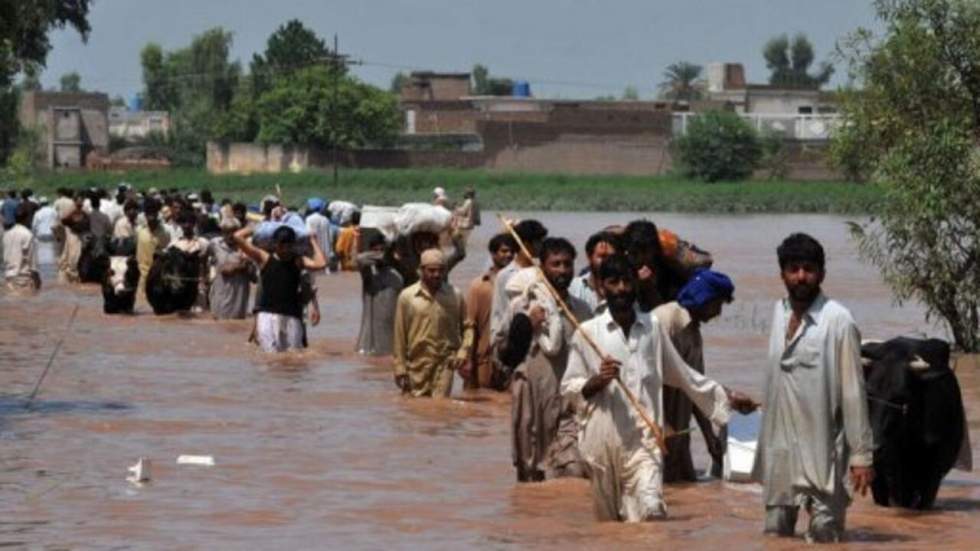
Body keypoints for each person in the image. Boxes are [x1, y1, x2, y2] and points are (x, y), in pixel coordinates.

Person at [561, 255, 755, 522]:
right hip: (601, 443)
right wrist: (596, 381)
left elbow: (684, 375)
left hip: (645, 442)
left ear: (635, 285)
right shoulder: (587, 332)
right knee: (610, 525)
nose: (621, 289)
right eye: (613, 282)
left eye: (627, 282)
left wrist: (728, 397)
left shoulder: (651, 328)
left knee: (652, 511)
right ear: (602, 287)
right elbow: (569, 389)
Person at [751, 233, 874, 544]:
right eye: (793, 269)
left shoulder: (839, 321)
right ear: (782, 274)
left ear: (821, 274)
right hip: (781, 452)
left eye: (808, 269)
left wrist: (861, 455)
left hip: (824, 453)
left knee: (825, 537)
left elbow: (853, 392)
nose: (801, 277)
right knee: (775, 536)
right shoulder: (778, 313)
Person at [500, 237, 591, 482]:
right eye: (556, 264)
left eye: (567, 264)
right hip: (531, 399)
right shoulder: (522, 305)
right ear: (542, 267)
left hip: (568, 404)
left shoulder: (582, 311)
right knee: (530, 473)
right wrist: (527, 325)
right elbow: (503, 354)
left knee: (573, 469)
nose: (562, 270)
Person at [653, 268, 735, 482]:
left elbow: (698, 391)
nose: (718, 313)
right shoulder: (665, 319)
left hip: (679, 436)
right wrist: (661, 424)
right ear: (704, 298)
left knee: (686, 490)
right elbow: (647, 376)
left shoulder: (694, 335)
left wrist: (710, 439)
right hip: (658, 432)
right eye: (717, 304)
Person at [392, 248, 473, 398]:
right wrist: (399, 367)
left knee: (439, 409)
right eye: (432, 270)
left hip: (444, 364)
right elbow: (399, 335)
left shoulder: (455, 295)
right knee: (415, 410)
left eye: (441, 271)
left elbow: (468, 327)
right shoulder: (407, 297)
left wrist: (463, 352)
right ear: (422, 270)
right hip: (416, 365)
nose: (436, 275)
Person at [234, 224, 327, 352]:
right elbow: (237, 237)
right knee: (270, 357)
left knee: (293, 357)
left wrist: (313, 241)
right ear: (275, 244)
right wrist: (254, 228)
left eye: (288, 246)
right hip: (267, 315)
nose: (285, 250)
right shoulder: (264, 258)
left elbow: (321, 263)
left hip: (292, 315)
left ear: (293, 246)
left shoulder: (298, 261)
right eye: (281, 245)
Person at [461, 233, 516, 390]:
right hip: (484, 360)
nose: (509, 255)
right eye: (504, 251)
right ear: (493, 254)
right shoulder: (479, 286)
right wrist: (467, 359)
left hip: (511, 358)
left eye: (512, 251)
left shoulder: (519, 285)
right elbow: (470, 326)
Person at [490, 219, 548, 338]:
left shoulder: (541, 272)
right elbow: (499, 311)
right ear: (526, 244)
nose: (542, 245)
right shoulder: (506, 275)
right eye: (539, 241)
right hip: (514, 338)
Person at [355, 233, 403, 356]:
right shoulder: (369, 274)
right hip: (367, 342)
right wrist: (383, 254)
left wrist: (390, 252)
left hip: (390, 340)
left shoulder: (397, 275)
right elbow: (359, 259)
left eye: (381, 250)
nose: (379, 254)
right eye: (375, 251)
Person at [207, 217, 254, 320]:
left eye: (233, 232)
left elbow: (253, 277)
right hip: (221, 289)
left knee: (236, 324)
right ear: (222, 232)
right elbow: (204, 258)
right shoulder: (215, 244)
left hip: (239, 293)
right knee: (218, 320)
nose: (230, 235)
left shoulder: (246, 247)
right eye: (226, 232)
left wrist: (246, 265)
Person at [569, 231, 619, 314]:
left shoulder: (623, 289)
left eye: (611, 257)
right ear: (589, 257)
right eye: (602, 256)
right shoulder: (574, 287)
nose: (606, 261)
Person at [136, 199, 170, 301]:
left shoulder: (165, 233)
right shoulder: (139, 231)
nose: (151, 216)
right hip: (142, 276)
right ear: (145, 214)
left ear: (157, 213)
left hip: (158, 278)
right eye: (148, 212)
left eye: (153, 212)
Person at [3, 203, 41, 294]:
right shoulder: (27, 234)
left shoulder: (6, 234)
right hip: (23, 281)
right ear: (27, 218)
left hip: (8, 279)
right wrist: (38, 281)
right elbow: (33, 263)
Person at [58, 194, 88, 284]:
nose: (80, 202)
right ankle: (71, 276)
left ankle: (74, 276)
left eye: (82, 200)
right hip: (72, 234)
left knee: (77, 256)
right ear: (75, 201)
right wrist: (73, 224)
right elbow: (63, 220)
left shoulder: (84, 212)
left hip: (80, 235)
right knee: (72, 256)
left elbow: (87, 221)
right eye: (79, 200)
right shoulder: (71, 210)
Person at [305, 198, 335, 273]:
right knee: (326, 271)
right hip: (326, 251)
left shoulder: (309, 219)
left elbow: (308, 234)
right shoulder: (326, 219)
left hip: (315, 251)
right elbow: (330, 236)